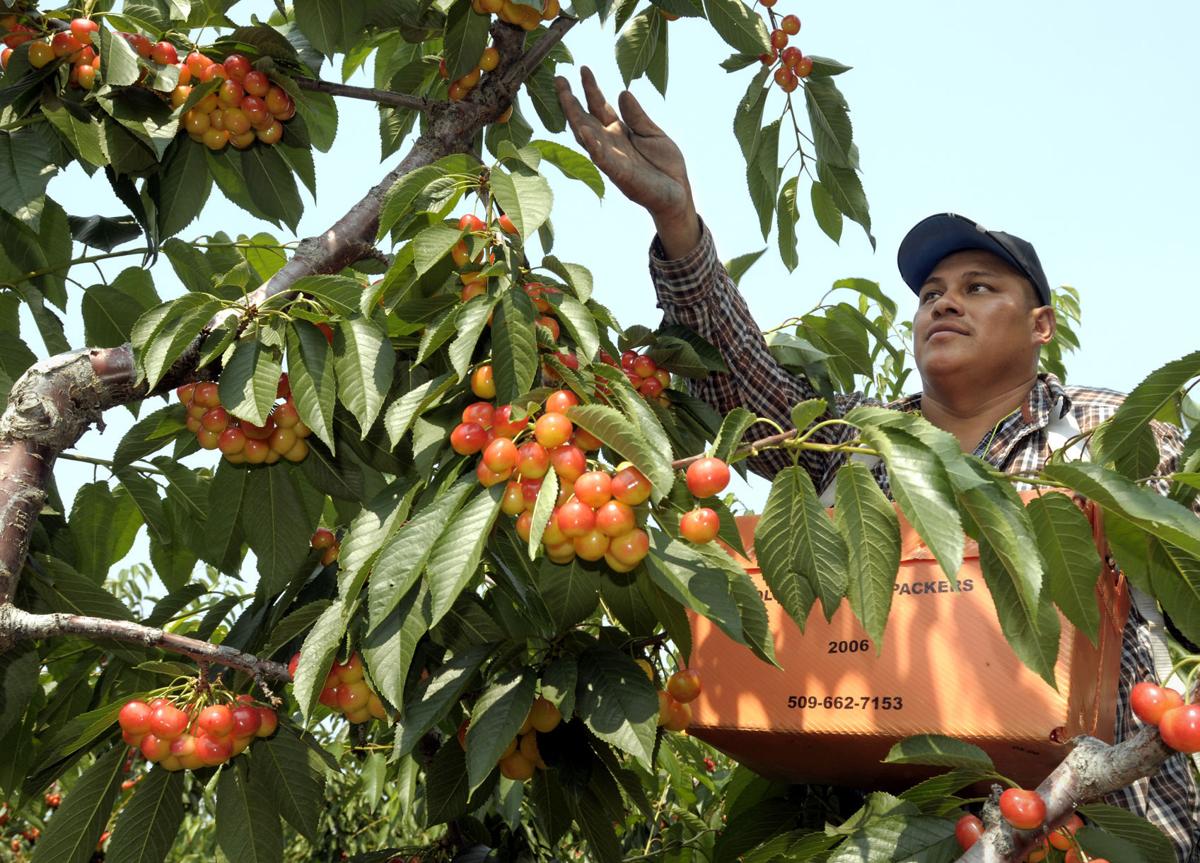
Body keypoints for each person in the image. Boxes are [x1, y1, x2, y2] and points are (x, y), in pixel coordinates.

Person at [555, 68, 1200, 860]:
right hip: (921, 827)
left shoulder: (1105, 431)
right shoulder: (857, 442)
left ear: (1040, 324)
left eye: (976, 286)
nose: (943, 301)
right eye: (931, 291)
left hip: (1117, 823)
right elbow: (744, 383)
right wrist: (678, 221)